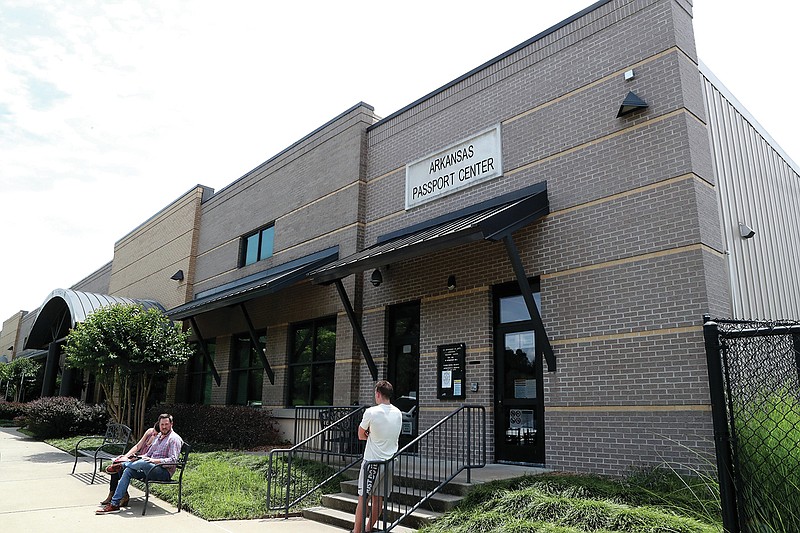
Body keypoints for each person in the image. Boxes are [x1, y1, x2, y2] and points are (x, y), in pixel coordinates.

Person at [96, 413, 183, 514]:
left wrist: (155, 461)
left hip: (163, 472)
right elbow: (148, 454)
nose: (164, 427)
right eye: (162, 424)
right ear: (159, 425)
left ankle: (122, 465)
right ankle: (114, 504)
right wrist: (136, 458)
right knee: (129, 471)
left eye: (166, 424)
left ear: (171, 424)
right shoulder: (159, 436)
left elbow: (173, 460)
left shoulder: (174, 439)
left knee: (143, 463)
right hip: (149, 467)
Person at [353, 381, 402, 533]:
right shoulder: (398, 413)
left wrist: (370, 435)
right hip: (389, 461)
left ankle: (356, 531)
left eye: (375, 393)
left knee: (363, 497)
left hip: (372, 463)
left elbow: (361, 434)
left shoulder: (371, 412)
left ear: (378, 394)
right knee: (378, 499)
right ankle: (368, 529)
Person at [100, 420, 160, 506]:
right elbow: (137, 446)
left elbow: (151, 458)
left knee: (123, 468)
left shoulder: (159, 441)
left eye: (156, 434)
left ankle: (123, 495)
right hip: (137, 459)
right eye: (154, 431)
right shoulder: (149, 432)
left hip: (143, 464)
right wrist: (126, 456)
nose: (153, 434)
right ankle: (112, 493)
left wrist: (137, 458)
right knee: (117, 463)